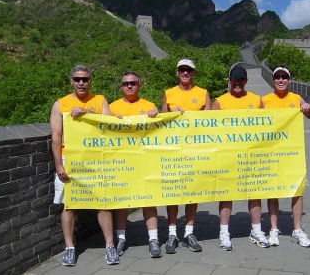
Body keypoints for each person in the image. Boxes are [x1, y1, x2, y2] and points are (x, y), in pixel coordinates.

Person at [50, 65, 120, 266]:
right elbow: (55, 137)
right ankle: (70, 247)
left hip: (96, 158)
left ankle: (110, 245)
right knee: (69, 204)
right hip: (68, 158)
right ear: (71, 81)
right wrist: (58, 165)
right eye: (77, 79)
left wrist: (87, 112)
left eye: (85, 79)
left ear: (90, 81)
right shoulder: (60, 104)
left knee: (102, 202)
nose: (81, 83)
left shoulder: (99, 100)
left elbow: (109, 125)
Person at [211, 65, 269, 251]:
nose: (237, 83)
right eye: (234, 79)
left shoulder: (257, 100)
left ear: (246, 81)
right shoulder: (219, 102)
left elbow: (268, 125)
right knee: (227, 194)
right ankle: (224, 232)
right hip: (228, 154)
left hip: (251, 154)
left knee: (255, 192)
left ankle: (256, 230)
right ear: (229, 81)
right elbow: (209, 129)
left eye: (241, 80)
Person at [262, 66, 310, 247]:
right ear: (273, 80)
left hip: (293, 152)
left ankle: (297, 230)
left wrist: (309, 108)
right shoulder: (265, 100)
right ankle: (274, 229)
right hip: (272, 151)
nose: (281, 80)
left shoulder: (296, 98)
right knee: (273, 191)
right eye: (278, 77)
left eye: (284, 77)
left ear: (289, 80)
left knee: (297, 191)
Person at [109, 72, 161, 258]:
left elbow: (162, 132)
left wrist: (155, 116)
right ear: (121, 86)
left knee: (148, 199)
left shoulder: (149, 106)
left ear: (139, 85)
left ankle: (153, 239)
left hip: (145, 161)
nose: (129, 86)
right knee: (122, 201)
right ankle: (121, 238)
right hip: (122, 161)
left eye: (133, 83)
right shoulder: (112, 107)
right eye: (125, 84)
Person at [161, 58, 211, 253]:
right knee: (173, 191)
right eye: (182, 70)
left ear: (193, 73)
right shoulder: (168, 94)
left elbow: (209, 122)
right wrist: (171, 112)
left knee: (192, 190)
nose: (185, 73)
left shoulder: (203, 93)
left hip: (195, 149)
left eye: (188, 70)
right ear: (177, 72)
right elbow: (161, 122)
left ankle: (189, 232)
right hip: (174, 149)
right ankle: (172, 233)